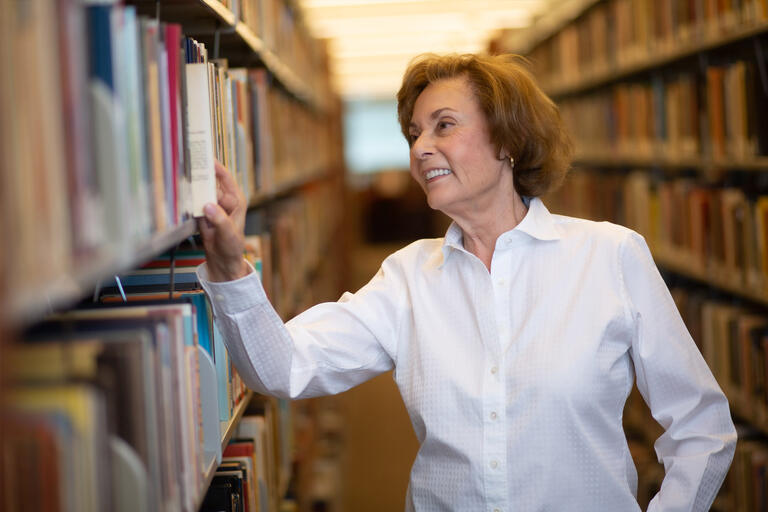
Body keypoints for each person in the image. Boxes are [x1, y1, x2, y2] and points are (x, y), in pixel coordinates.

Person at [196, 53, 736, 511]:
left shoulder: (609, 255)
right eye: (414, 133)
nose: (420, 148)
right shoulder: (407, 278)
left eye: (444, 125)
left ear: (508, 141)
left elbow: (701, 425)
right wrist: (228, 265)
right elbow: (284, 367)